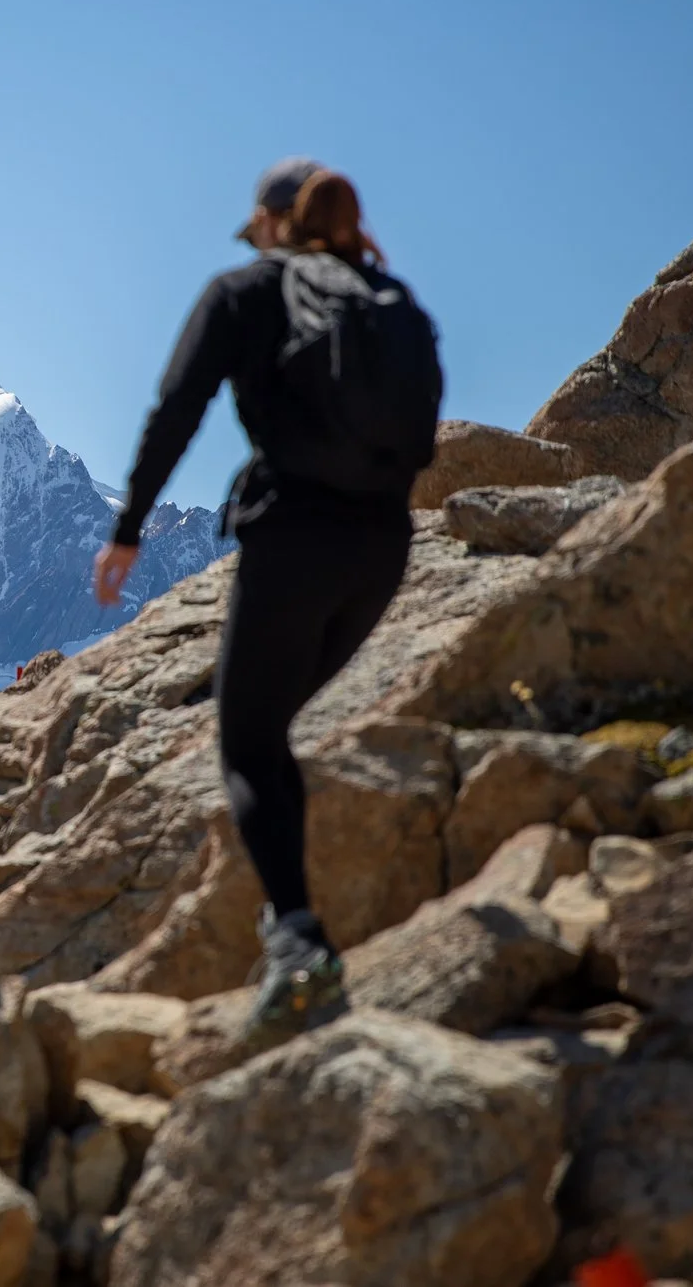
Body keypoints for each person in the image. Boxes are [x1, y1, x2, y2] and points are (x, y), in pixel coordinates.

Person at [92, 158, 440, 1046]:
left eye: (256, 231)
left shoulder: (244, 293)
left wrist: (128, 528)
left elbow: (177, 406)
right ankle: (298, 933)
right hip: (384, 546)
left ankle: (298, 944)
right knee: (270, 724)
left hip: (295, 539)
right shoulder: (389, 300)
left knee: (246, 739)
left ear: (276, 224)